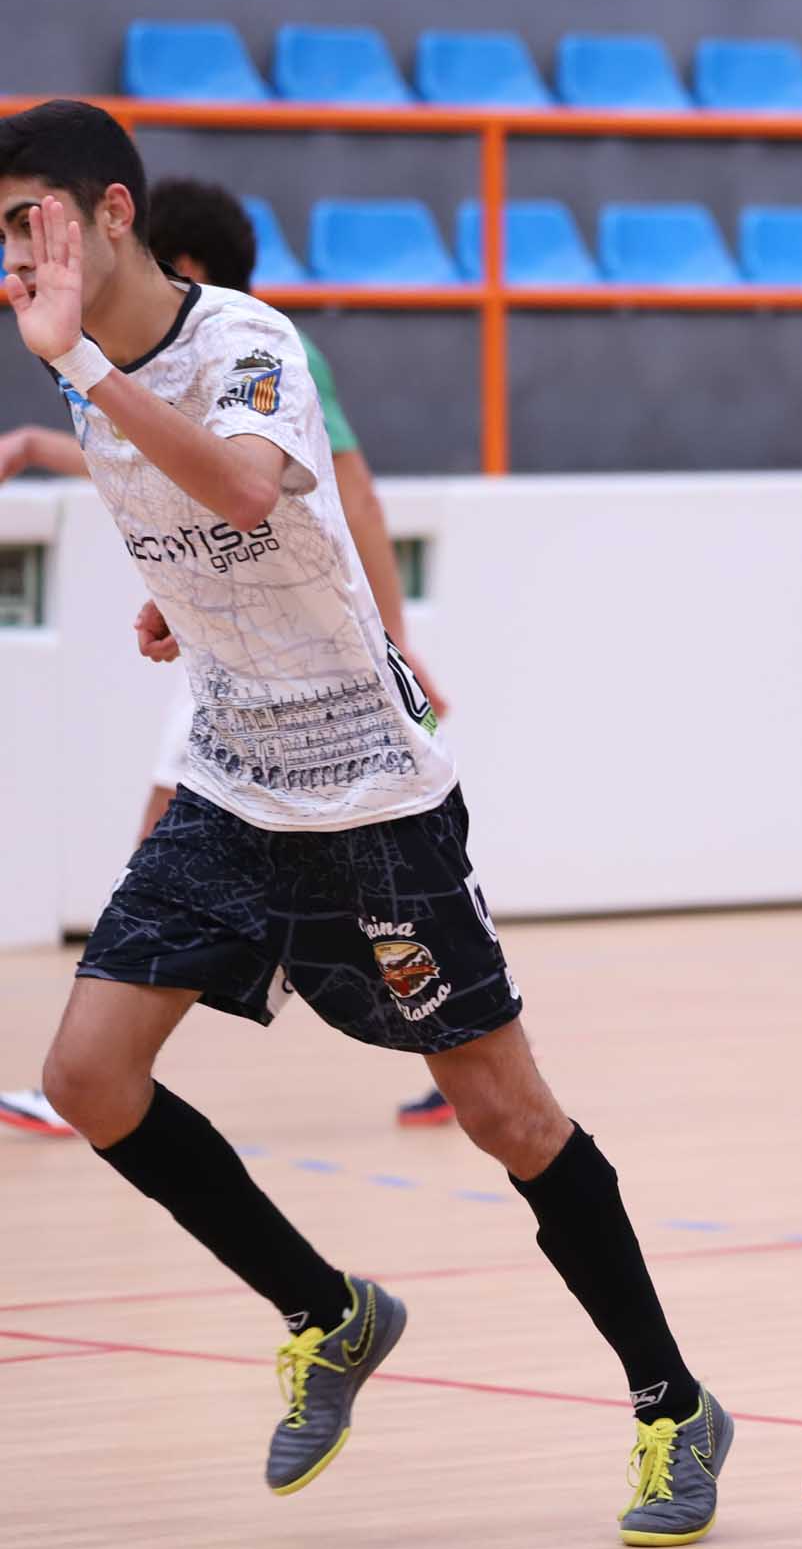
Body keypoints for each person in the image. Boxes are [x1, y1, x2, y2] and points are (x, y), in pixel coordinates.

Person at [2, 100, 728, 1540]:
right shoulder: (90, 378)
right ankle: (327, 1313)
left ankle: (673, 1404)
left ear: (112, 216)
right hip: (227, 780)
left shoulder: (243, 342)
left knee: (502, 1114)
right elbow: (212, 522)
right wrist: (187, 601)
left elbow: (255, 482)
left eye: (31, 225)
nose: (15, 258)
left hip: (371, 795)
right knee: (89, 1077)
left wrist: (81, 367)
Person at [0, 179, 458, 1136]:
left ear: (186, 269)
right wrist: (49, 446)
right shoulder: (154, 366)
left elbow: (351, 499)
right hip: (226, 648)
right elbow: (163, 463)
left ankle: (93, 1057)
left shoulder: (267, 352)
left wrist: (396, 646)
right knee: (277, 874)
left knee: (179, 835)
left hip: (302, 672)